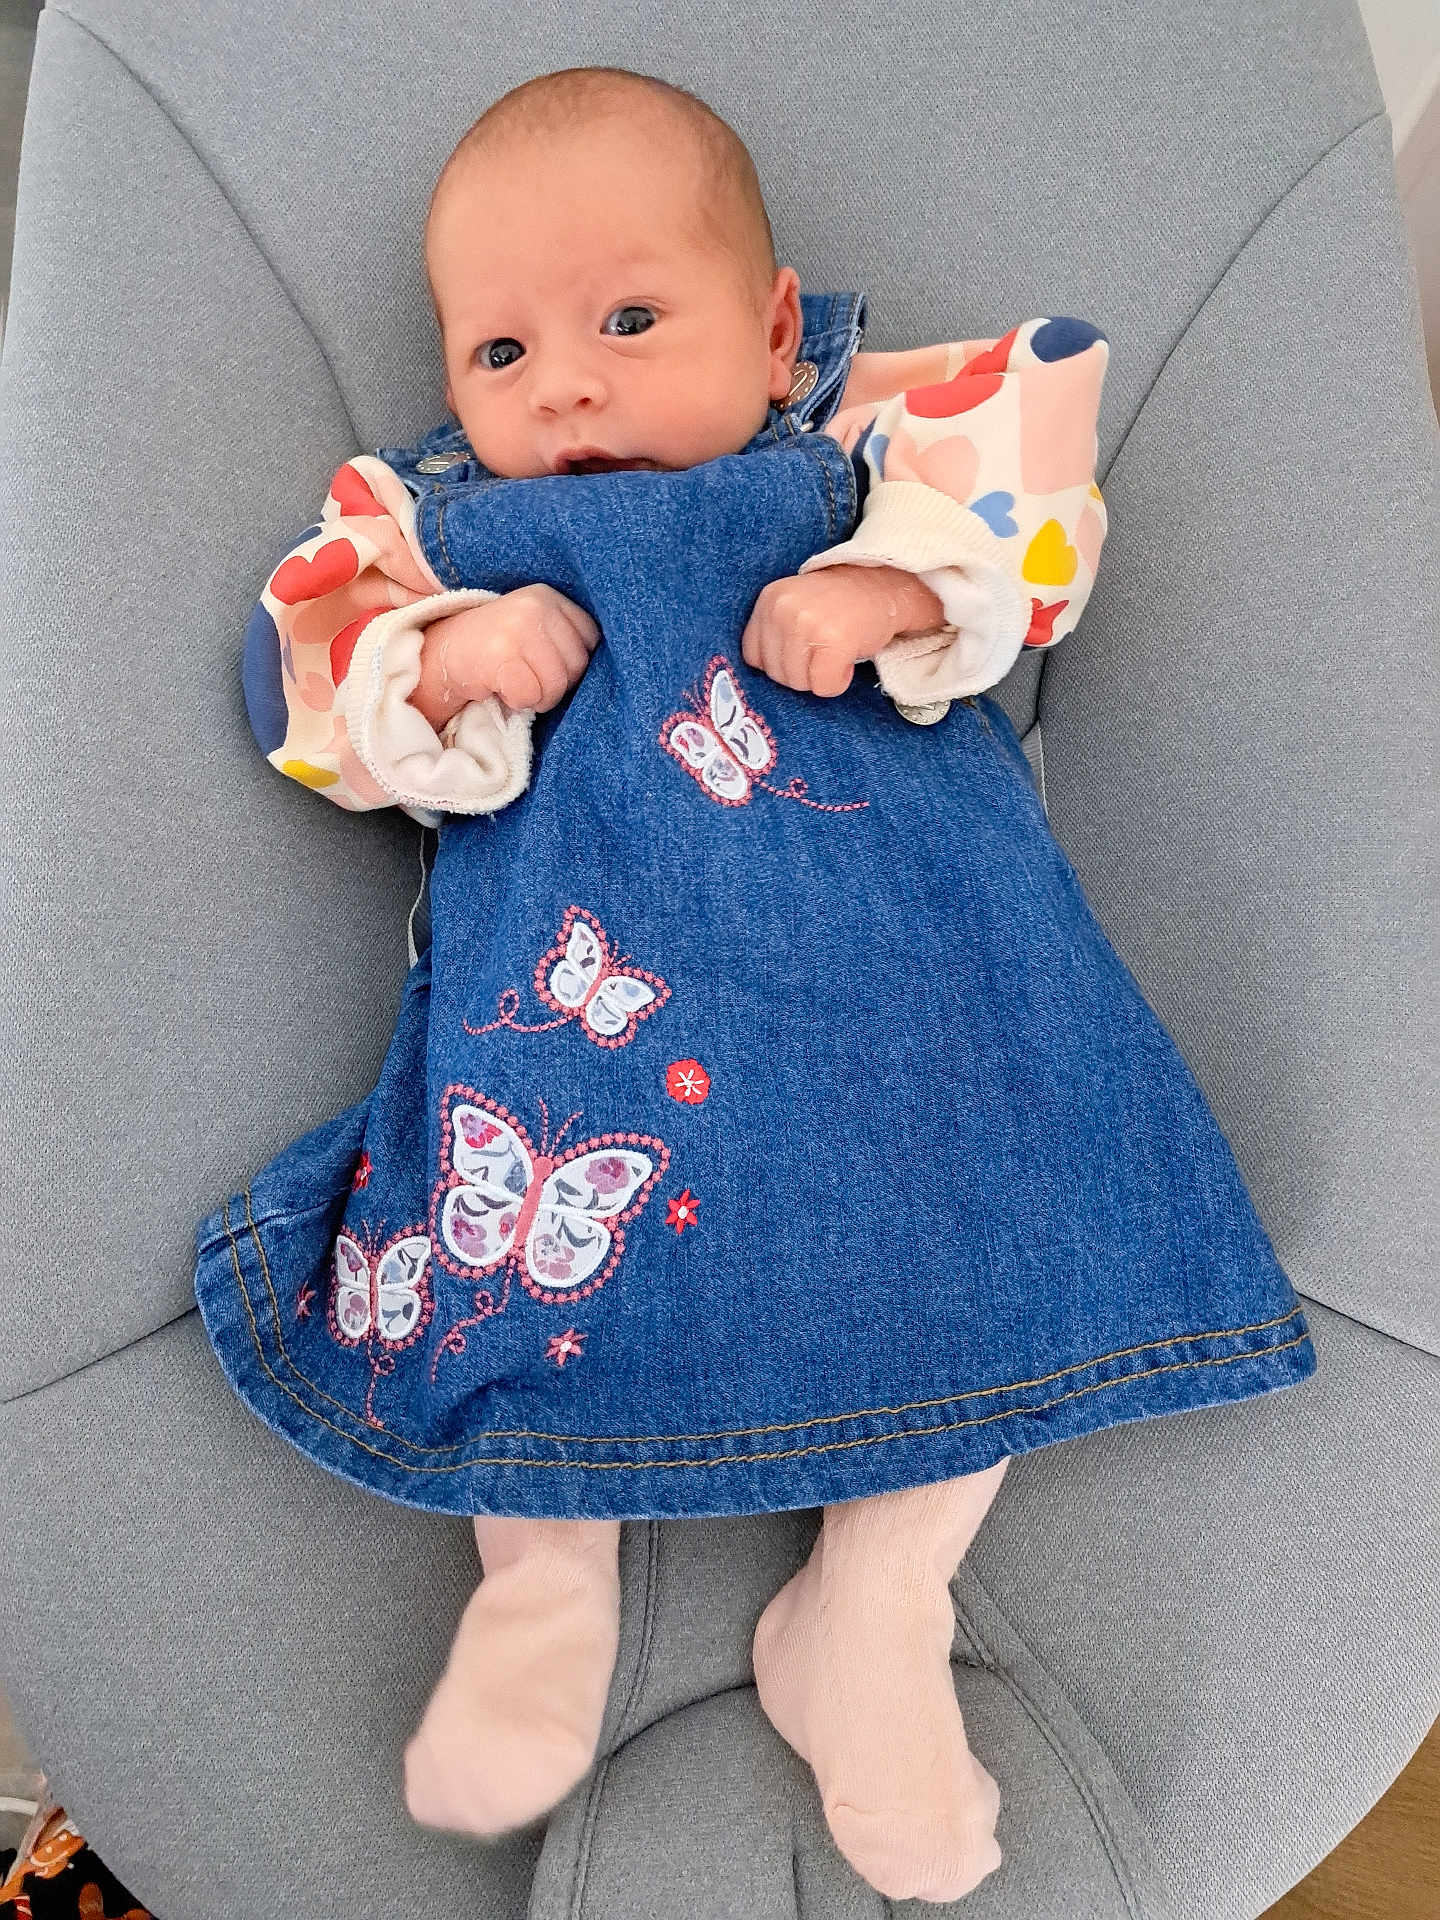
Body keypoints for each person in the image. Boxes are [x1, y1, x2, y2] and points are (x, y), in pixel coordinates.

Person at [195, 64, 1316, 1906]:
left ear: (776, 326)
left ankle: (872, 1607)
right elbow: (295, 682)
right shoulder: (426, 520)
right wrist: (455, 654)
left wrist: (891, 592)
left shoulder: (865, 441)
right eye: (499, 351)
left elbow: (1043, 492)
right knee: (511, 1268)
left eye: (632, 320)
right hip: (586, 1020)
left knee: (1004, 1214)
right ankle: (543, 1591)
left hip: (917, 980)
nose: (563, 385)